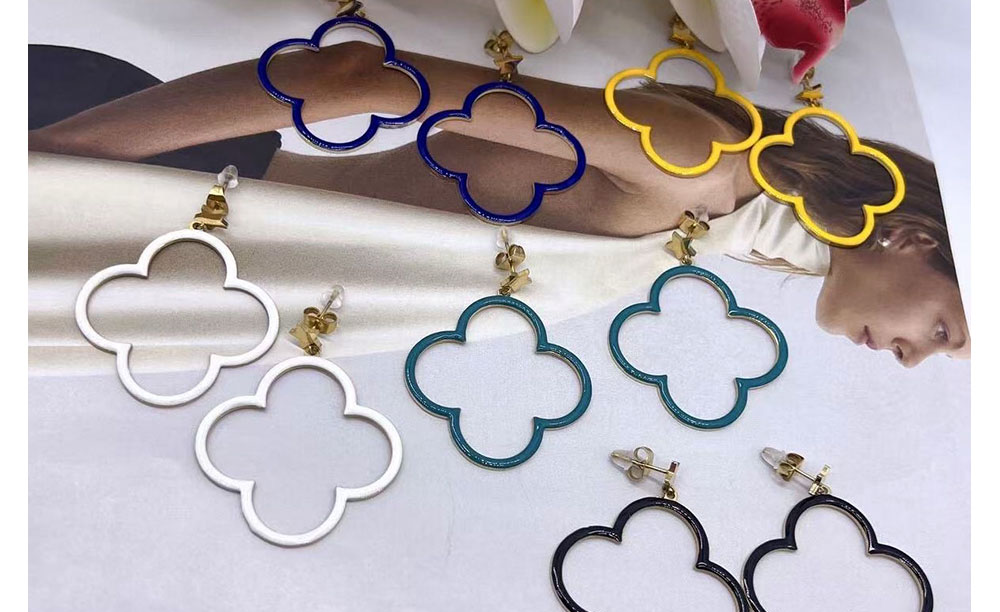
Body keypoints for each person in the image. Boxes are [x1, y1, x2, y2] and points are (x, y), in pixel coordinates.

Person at [28, 40, 968, 366]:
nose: (912, 357)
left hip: (163, 250)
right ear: (919, 239)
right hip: (127, 185)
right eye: (943, 329)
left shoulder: (723, 224)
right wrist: (67, 161)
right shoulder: (695, 167)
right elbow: (360, 76)